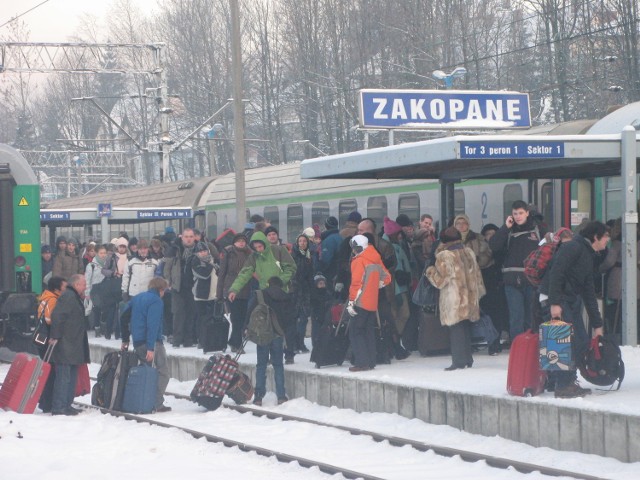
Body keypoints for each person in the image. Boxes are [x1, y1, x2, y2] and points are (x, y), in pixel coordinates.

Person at [543, 221, 608, 398]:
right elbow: (557, 272)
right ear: (595, 237)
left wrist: (597, 323)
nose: (607, 241)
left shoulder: (588, 254)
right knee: (567, 341)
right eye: (605, 237)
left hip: (569, 299)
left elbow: (588, 290)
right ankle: (563, 385)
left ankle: (561, 381)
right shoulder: (573, 248)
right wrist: (554, 303)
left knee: (576, 340)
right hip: (558, 299)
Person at [426, 227, 485, 371]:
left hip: (454, 298)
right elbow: (478, 276)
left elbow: (441, 281)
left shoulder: (445, 255)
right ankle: (467, 359)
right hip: (469, 296)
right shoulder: (468, 252)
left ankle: (458, 361)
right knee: (465, 327)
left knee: (455, 329)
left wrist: (430, 272)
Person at [489, 200, 546, 340]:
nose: (518, 216)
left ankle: (530, 346)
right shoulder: (508, 230)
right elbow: (494, 246)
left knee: (531, 317)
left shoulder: (538, 229)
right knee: (516, 317)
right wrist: (505, 228)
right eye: (515, 213)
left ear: (527, 213)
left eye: (521, 213)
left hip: (531, 280)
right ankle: (518, 346)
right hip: (512, 280)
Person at [121, 277, 171, 412]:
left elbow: (123, 317)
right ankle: (156, 403)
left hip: (137, 341)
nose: (164, 293)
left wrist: (125, 338)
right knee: (163, 372)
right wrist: (151, 347)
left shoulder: (137, 298)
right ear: (161, 289)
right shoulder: (156, 301)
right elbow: (152, 324)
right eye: (164, 290)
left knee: (147, 373)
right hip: (152, 342)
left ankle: (145, 401)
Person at [346, 235, 391, 372]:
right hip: (372, 302)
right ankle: (371, 361)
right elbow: (387, 278)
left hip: (360, 301)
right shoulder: (375, 258)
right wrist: (374, 285)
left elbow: (356, 283)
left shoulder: (359, 261)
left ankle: (362, 362)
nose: (353, 250)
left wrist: (351, 301)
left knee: (355, 332)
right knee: (368, 332)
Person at [49, 274, 91, 416]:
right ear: (77, 285)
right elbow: (58, 316)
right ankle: (59, 406)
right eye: (84, 284)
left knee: (71, 375)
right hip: (66, 343)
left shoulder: (73, 296)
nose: (85, 287)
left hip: (73, 343)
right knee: (64, 376)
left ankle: (66, 404)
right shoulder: (68, 296)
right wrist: (55, 335)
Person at [251, 276, 294, 406]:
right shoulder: (286, 297)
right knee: (278, 365)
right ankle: (281, 396)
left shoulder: (261, 295)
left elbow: (250, 313)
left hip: (263, 334)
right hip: (278, 334)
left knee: (261, 365)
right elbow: (290, 317)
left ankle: (258, 397)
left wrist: (246, 329)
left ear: (269, 284)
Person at [37, 276, 67, 413]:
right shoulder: (54, 299)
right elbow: (49, 319)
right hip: (48, 338)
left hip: (41, 337)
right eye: (64, 286)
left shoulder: (45, 296)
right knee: (51, 371)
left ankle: (44, 402)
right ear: (57, 288)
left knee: (47, 369)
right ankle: (46, 402)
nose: (65, 288)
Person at [217, 233, 252, 353]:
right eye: (239, 241)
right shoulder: (228, 252)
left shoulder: (250, 253)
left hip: (246, 288)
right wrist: (220, 293)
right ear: (234, 242)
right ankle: (237, 344)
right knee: (236, 318)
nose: (241, 243)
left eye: (243, 241)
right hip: (231, 288)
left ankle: (233, 341)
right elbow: (222, 273)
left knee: (242, 318)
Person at [164, 228, 198, 348]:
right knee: (178, 313)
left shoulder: (199, 249)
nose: (188, 239)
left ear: (194, 237)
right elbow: (167, 267)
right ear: (181, 237)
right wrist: (168, 281)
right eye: (186, 236)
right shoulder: (174, 249)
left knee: (191, 313)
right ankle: (177, 340)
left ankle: (188, 340)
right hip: (177, 286)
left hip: (193, 286)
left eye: (191, 236)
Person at [190, 241, 218, 347]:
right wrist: (211, 265)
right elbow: (204, 274)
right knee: (202, 319)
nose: (203, 253)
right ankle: (201, 340)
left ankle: (211, 339)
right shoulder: (195, 261)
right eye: (201, 251)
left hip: (213, 294)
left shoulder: (213, 260)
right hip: (200, 295)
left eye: (205, 251)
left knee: (212, 318)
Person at [291, 234, 314, 356]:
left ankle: (301, 341)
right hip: (295, 289)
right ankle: (294, 343)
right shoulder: (294, 255)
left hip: (306, 290)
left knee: (304, 317)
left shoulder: (310, 255)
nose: (302, 243)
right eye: (300, 241)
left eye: (304, 241)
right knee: (295, 317)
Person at [85, 244, 114, 338]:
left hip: (106, 289)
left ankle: (103, 325)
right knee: (97, 310)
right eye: (101, 253)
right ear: (97, 253)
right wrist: (87, 293)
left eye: (105, 253)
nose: (103, 255)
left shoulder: (109, 264)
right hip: (95, 289)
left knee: (106, 310)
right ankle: (97, 328)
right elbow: (87, 280)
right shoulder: (91, 266)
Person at [319, 216, 341, 283]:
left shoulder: (327, 240)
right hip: (339, 271)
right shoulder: (341, 237)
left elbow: (326, 260)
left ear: (326, 226)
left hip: (331, 273)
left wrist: (321, 271)